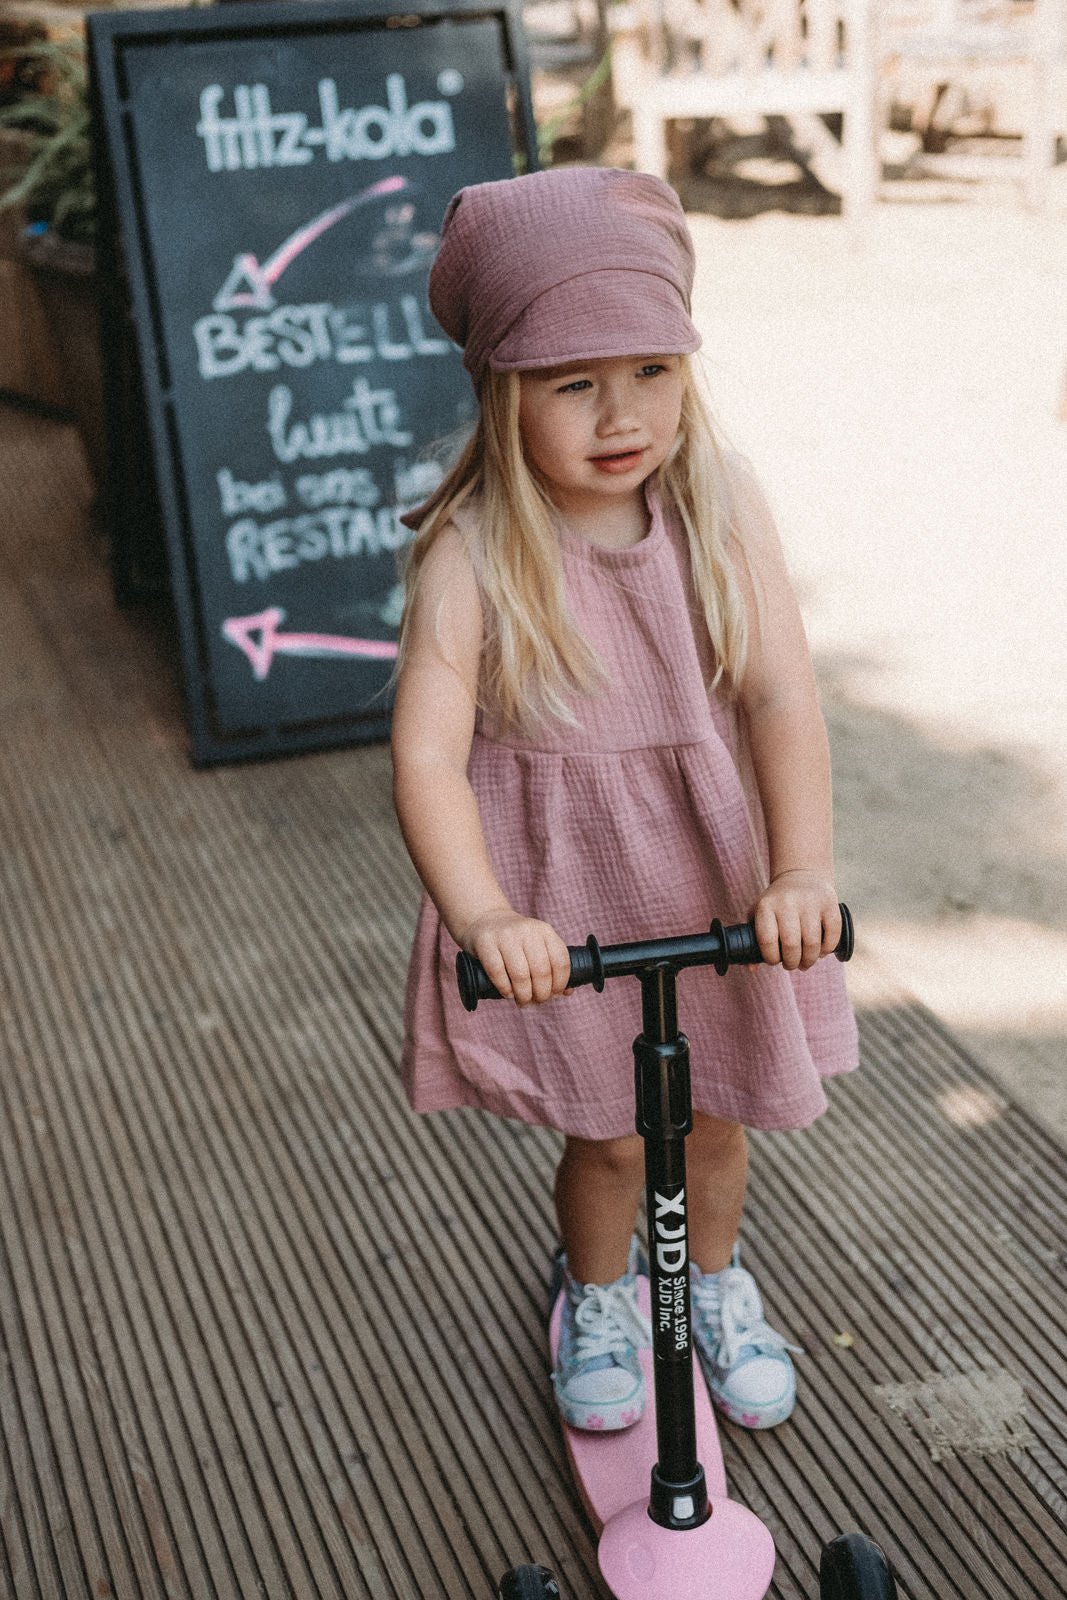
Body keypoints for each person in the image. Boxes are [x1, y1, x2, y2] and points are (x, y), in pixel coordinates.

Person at [391, 168, 858, 1435]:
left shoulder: (718, 504)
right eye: (572, 380)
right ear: (502, 387)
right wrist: (486, 915)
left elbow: (777, 698)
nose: (620, 412)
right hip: (563, 894)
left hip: (714, 870)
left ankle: (711, 1279)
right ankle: (597, 1292)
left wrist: (800, 869)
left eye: (651, 369)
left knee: (712, 1117)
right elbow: (427, 755)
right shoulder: (477, 548)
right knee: (606, 1135)